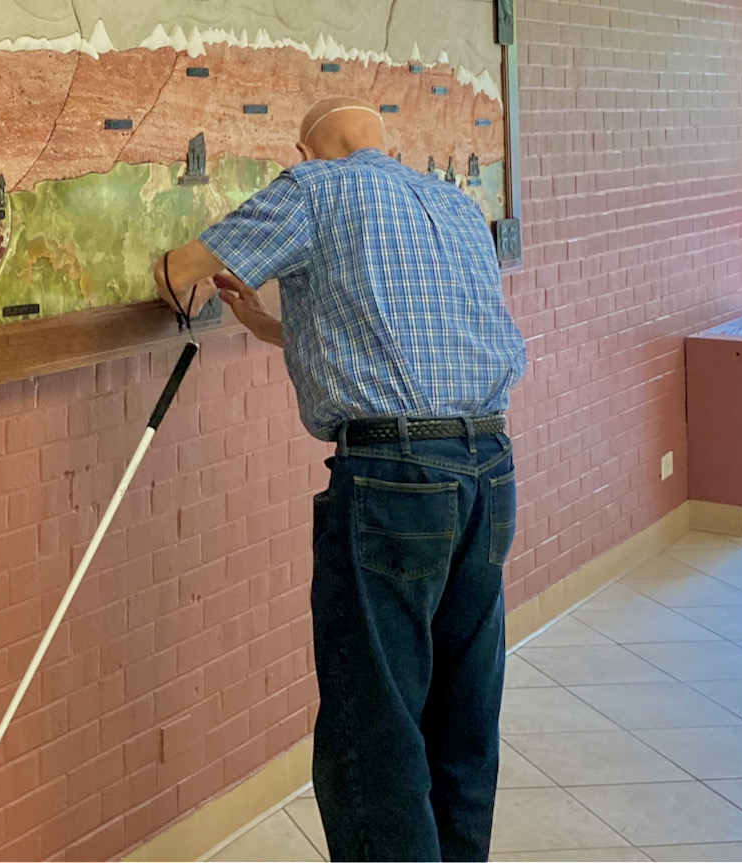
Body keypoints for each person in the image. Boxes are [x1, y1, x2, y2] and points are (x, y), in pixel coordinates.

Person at [153, 96, 528, 862]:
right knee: (462, 714)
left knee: (373, 729)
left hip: (394, 482)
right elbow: (398, 331)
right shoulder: (456, 206)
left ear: (306, 148)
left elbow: (184, 269)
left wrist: (171, 280)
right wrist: (267, 326)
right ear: (384, 142)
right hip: (488, 472)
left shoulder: (314, 188)